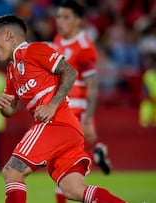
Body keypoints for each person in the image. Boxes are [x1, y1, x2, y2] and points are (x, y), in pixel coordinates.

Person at [0, 14, 126, 203]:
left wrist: (52, 105)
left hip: (56, 122)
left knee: (12, 171)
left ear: (8, 35)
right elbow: (10, 110)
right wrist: (3, 106)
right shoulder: (12, 70)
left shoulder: (34, 50)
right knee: (73, 190)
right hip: (66, 129)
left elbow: (70, 71)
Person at [52, 4, 111, 202]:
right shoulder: (58, 40)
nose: (60, 21)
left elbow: (92, 86)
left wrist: (89, 119)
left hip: (76, 108)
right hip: (60, 106)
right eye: (59, 16)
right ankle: (96, 155)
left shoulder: (85, 48)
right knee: (61, 162)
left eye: (66, 17)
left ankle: (95, 155)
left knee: (62, 164)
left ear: (78, 20)